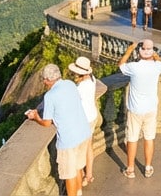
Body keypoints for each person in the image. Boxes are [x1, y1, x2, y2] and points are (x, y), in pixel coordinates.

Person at [25, 63, 91, 196]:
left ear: (49, 79)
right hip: (83, 132)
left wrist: (36, 117)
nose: (44, 82)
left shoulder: (50, 95)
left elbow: (46, 123)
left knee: (69, 175)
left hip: (69, 140)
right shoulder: (70, 84)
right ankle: (79, 193)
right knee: (78, 168)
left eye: (44, 79)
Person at [118, 38, 161, 177]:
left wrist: (130, 49)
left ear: (139, 52)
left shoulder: (133, 67)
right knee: (149, 138)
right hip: (151, 109)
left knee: (132, 138)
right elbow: (159, 60)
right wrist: (153, 53)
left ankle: (130, 169)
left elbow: (121, 64)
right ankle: (148, 167)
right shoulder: (158, 67)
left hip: (135, 109)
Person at [69, 55, 106, 188]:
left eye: (76, 72)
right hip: (92, 116)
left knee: (79, 151)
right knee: (88, 146)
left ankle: (80, 181)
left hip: (83, 121)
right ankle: (89, 174)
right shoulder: (92, 79)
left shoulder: (81, 88)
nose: (74, 74)